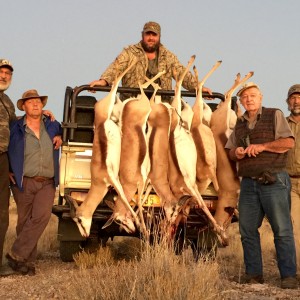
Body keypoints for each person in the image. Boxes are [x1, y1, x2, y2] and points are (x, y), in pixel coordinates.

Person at [225, 82, 297, 289]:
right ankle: (254, 275)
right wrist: (236, 153)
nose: (249, 99)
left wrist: (263, 146)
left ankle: (288, 277)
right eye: (245, 97)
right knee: (247, 230)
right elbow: (230, 150)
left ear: (261, 97)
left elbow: (288, 143)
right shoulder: (239, 123)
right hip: (249, 183)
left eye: (253, 95)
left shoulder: (274, 115)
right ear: (240, 101)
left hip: (274, 179)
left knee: (282, 230)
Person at [5, 89, 62, 276]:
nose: (36, 104)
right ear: (24, 106)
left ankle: (16, 253)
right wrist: (6, 170)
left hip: (47, 181)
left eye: (38, 101)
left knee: (41, 217)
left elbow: (65, 132)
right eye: (31, 102)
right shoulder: (15, 127)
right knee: (23, 222)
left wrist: (61, 137)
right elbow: (3, 147)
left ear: (43, 105)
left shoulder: (53, 125)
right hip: (23, 181)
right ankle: (26, 264)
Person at [89, 21, 212, 100]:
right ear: (142, 35)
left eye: (154, 35)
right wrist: (104, 81)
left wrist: (199, 87)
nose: (151, 38)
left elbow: (182, 74)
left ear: (159, 37)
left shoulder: (168, 56)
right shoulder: (129, 52)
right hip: (133, 101)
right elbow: (116, 67)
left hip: (161, 104)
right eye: (148, 34)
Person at [0, 59, 17, 276]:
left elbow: (16, 125)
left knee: (2, 214)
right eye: (1, 72)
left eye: (7, 74)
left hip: (2, 159)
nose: (4, 76)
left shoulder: (7, 102)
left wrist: (41, 116)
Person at [285, 84, 300, 270]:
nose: (297, 101)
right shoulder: (281, 123)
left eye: (299, 97)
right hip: (289, 182)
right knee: (295, 229)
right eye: (293, 98)